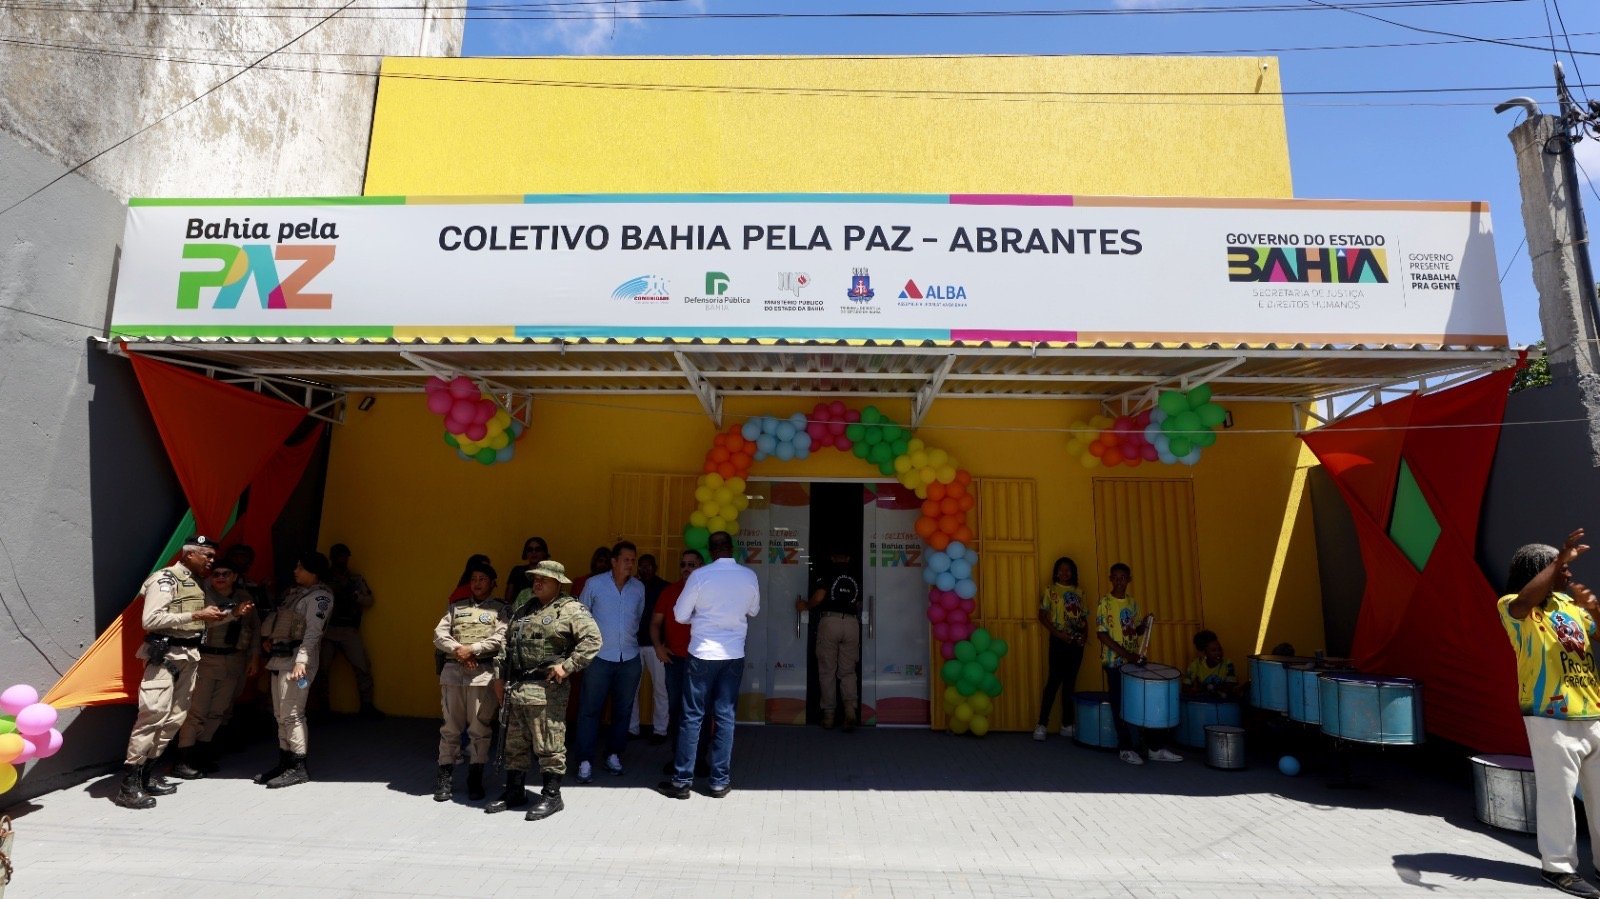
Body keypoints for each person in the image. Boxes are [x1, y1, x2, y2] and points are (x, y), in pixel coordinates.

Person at [1500, 529, 1600, 898]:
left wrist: (1594, 608)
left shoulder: (1571, 609)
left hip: (1592, 712)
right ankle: (1558, 868)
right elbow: (1525, 603)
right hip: (1548, 714)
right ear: (1539, 569)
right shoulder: (1514, 605)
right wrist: (1561, 559)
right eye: (1560, 568)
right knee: (1557, 795)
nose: (1569, 574)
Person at [113, 536, 233, 810]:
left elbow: (197, 621)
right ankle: (128, 785)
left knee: (175, 718)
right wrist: (196, 616)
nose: (211, 561)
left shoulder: (195, 583)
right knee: (152, 715)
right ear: (189, 554)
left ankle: (146, 775)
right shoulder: (166, 579)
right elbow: (151, 620)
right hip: (165, 656)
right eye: (207, 555)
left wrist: (228, 615)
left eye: (213, 556)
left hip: (189, 656)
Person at [486, 560, 601, 821]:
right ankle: (515, 791)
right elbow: (507, 644)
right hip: (517, 688)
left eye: (544, 579)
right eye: (535, 578)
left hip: (547, 689)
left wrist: (568, 666)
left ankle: (552, 796)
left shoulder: (570, 609)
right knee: (515, 743)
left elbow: (593, 640)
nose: (537, 583)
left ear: (558, 583)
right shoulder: (524, 608)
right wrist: (499, 678)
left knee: (549, 743)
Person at [658, 531, 760, 800]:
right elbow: (754, 610)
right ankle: (718, 782)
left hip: (702, 653)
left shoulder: (700, 576)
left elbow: (679, 615)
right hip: (733, 654)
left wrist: (701, 616)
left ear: (710, 551)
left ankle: (682, 782)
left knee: (692, 716)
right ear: (731, 548)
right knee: (724, 716)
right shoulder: (748, 576)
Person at [171, 559, 260, 779]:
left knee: (219, 711)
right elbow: (206, 622)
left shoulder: (243, 598)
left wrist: (254, 657)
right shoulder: (204, 596)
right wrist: (234, 613)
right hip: (208, 658)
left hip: (234, 660)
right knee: (196, 712)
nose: (220, 578)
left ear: (234, 577)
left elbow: (254, 629)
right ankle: (184, 759)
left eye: (225, 574)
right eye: (216, 574)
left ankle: (202, 754)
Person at [254, 551, 334, 789]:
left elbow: (313, 632)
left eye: (300, 567)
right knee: (280, 715)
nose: (295, 571)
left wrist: (302, 660)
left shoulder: (320, 597)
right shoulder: (296, 594)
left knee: (293, 714)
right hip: (280, 658)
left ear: (314, 571)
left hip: (297, 659)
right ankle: (284, 762)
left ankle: (298, 767)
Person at [432, 559, 507, 803]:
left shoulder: (500, 609)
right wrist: (459, 651)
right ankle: (445, 779)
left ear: (493, 584)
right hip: (454, 672)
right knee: (450, 729)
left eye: (482, 580)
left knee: (479, 730)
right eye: (474, 579)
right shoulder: (455, 607)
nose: (477, 584)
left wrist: (472, 649)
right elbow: (439, 635)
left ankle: (475, 780)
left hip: (482, 676)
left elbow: (500, 638)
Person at [1096, 562, 1181, 766]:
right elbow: (1101, 634)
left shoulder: (1133, 604)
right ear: (1110, 579)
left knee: (1144, 702)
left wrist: (1143, 625)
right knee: (1120, 706)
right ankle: (1125, 748)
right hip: (1114, 663)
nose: (1119, 581)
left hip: (1133, 661)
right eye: (1115, 577)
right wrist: (1127, 654)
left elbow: (1134, 631)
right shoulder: (1104, 603)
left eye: (1123, 577)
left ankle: (1154, 748)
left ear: (1129, 580)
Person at [575, 540, 645, 783]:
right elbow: (581, 618)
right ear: (614, 561)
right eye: (626, 559)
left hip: (630, 657)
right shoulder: (594, 584)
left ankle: (614, 753)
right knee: (590, 710)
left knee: (623, 710)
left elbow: (638, 617)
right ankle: (584, 759)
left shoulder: (638, 588)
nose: (631, 564)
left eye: (633, 560)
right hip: (599, 657)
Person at [795, 550, 862, 731]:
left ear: (832, 557)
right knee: (848, 671)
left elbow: (820, 596)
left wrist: (805, 606)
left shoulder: (827, 572)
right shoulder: (857, 576)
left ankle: (829, 716)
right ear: (848, 557)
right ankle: (850, 710)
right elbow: (858, 604)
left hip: (830, 622)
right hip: (851, 623)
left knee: (827, 671)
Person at [651, 549, 703, 763]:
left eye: (691, 564)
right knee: (676, 710)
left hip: (702, 660)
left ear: (701, 566)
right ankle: (678, 759)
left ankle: (699, 759)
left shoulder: (708, 591)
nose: (686, 568)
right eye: (683, 564)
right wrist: (658, 647)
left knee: (700, 711)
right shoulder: (670, 591)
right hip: (675, 661)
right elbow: (655, 623)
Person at [320, 543, 380, 717]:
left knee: (362, 666)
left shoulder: (355, 579)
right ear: (332, 557)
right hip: (328, 629)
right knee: (321, 670)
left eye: (345, 556)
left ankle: (367, 705)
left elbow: (369, 600)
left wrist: (354, 596)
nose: (343, 560)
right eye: (339, 556)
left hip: (348, 629)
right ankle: (323, 708)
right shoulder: (323, 579)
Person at [1034, 555, 1087, 741]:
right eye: (1061, 569)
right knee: (1053, 681)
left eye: (1068, 569)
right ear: (1056, 572)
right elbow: (1042, 616)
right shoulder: (1050, 590)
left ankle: (1066, 723)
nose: (1064, 572)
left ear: (1073, 573)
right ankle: (1042, 724)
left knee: (1070, 683)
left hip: (1075, 643)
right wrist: (1058, 634)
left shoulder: (1079, 592)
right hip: (1058, 641)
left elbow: (1083, 618)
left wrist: (1083, 638)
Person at [632, 553, 671, 743]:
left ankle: (660, 731)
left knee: (661, 689)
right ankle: (632, 729)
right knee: (632, 689)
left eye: (648, 566)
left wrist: (665, 643)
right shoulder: (631, 586)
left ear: (655, 567)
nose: (644, 569)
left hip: (657, 646)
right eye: (641, 566)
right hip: (633, 645)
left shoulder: (665, 587)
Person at [1183, 630, 1240, 699]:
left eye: (1220, 649)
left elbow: (1230, 686)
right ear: (1204, 653)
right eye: (1213, 650)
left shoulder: (1227, 663)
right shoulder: (1195, 665)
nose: (1218, 653)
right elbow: (1185, 687)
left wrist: (1204, 687)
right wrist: (1193, 690)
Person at [503, 537, 550, 604]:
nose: (533, 552)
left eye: (538, 549)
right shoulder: (517, 571)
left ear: (544, 552)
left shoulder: (550, 573)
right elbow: (508, 598)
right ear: (526, 552)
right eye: (530, 550)